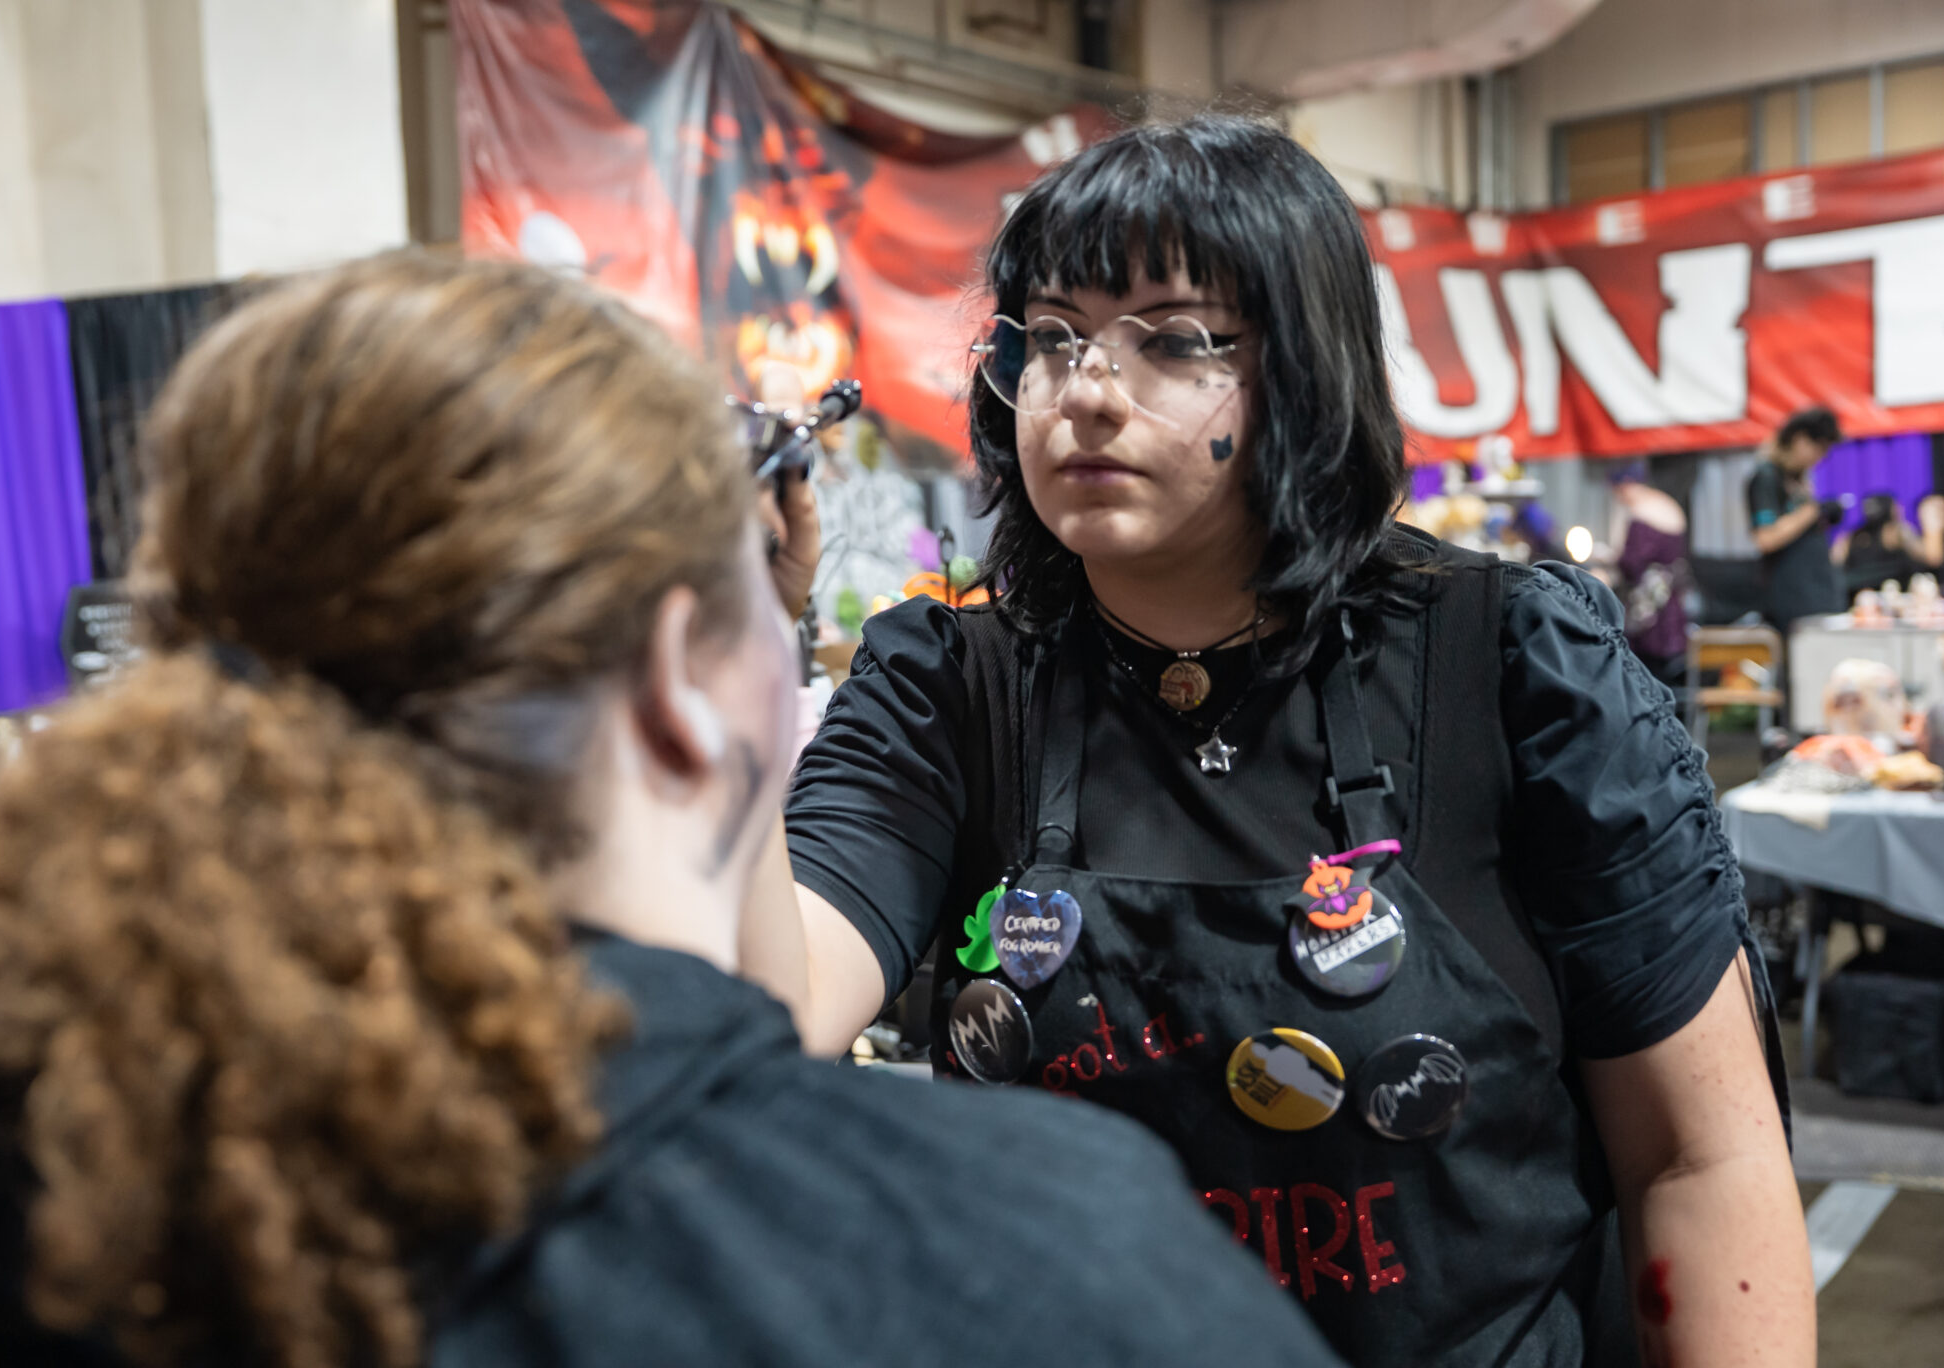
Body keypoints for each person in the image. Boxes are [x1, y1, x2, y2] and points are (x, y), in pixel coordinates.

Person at [0, 256, 1344, 1368]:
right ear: (676, 679)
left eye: (1178, 339)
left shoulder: (11, 1165)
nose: (1094, 388)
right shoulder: (1041, 1265)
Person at [751, 117, 1813, 1368]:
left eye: (1173, 339)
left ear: (1306, 371)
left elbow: (1699, 1157)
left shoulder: (1515, 670)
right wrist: (735, 637)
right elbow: (767, 1005)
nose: (1087, 390)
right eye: (1050, 338)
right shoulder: (950, 684)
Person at [1746, 407, 1847, 627]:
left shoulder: (1798, 479)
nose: (1819, 458)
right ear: (1799, 440)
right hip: (1791, 598)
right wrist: (1812, 512)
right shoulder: (1766, 477)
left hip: (1817, 591)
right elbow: (1765, 538)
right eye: (1818, 449)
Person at [1607, 463, 1691, 688]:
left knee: (1646, 678)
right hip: (1671, 600)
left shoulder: (1641, 513)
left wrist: (1610, 560)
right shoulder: (1667, 504)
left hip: (1649, 609)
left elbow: (1631, 563)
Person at [1833, 491, 1944, 598]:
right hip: (1892, 600)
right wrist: (1931, 523)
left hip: (1859, 599)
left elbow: (1833, 563)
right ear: (1892, 509)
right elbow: (1933, 558)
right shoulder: (1898, 532)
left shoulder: (1850, 536)